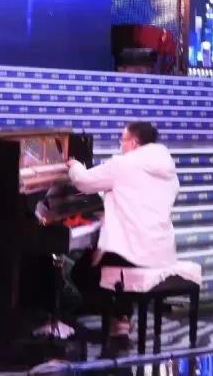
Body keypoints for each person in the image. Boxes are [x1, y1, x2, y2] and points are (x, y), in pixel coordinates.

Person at [67, 122, 179, 338]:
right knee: (112, 264)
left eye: (123, 140)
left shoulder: (124, 164)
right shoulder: (168, 169)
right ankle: (123, 317)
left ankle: (116, 319)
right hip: (160, 249)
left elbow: (84, 181)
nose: (120, 144)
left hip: (132, 248)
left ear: (134, 143)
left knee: (82, 273)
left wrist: (74, 165)